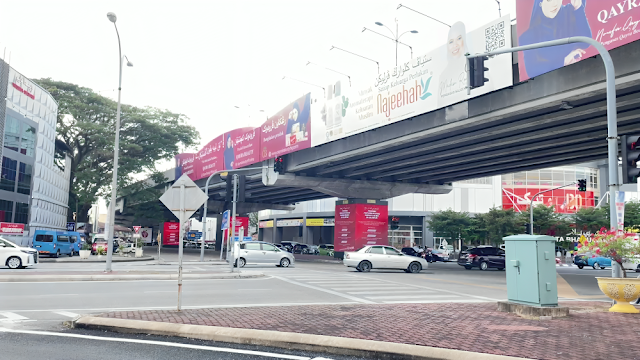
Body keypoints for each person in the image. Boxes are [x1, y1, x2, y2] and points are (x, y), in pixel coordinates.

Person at [519, 0, 592, 79]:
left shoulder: (568, 13)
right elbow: (532, 70)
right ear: (540, 3)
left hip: (582, 75)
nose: (555, 4)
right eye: (549, 0)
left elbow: (585, 42)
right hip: (549, 85)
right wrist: (563, 62)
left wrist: (578, 8)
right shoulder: (530, 36)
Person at [438, 22, 470, 108]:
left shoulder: (475, 67)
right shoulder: (443, 76)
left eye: (459, 38)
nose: (455, 45)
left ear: (464, 40)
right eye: (451, 41)